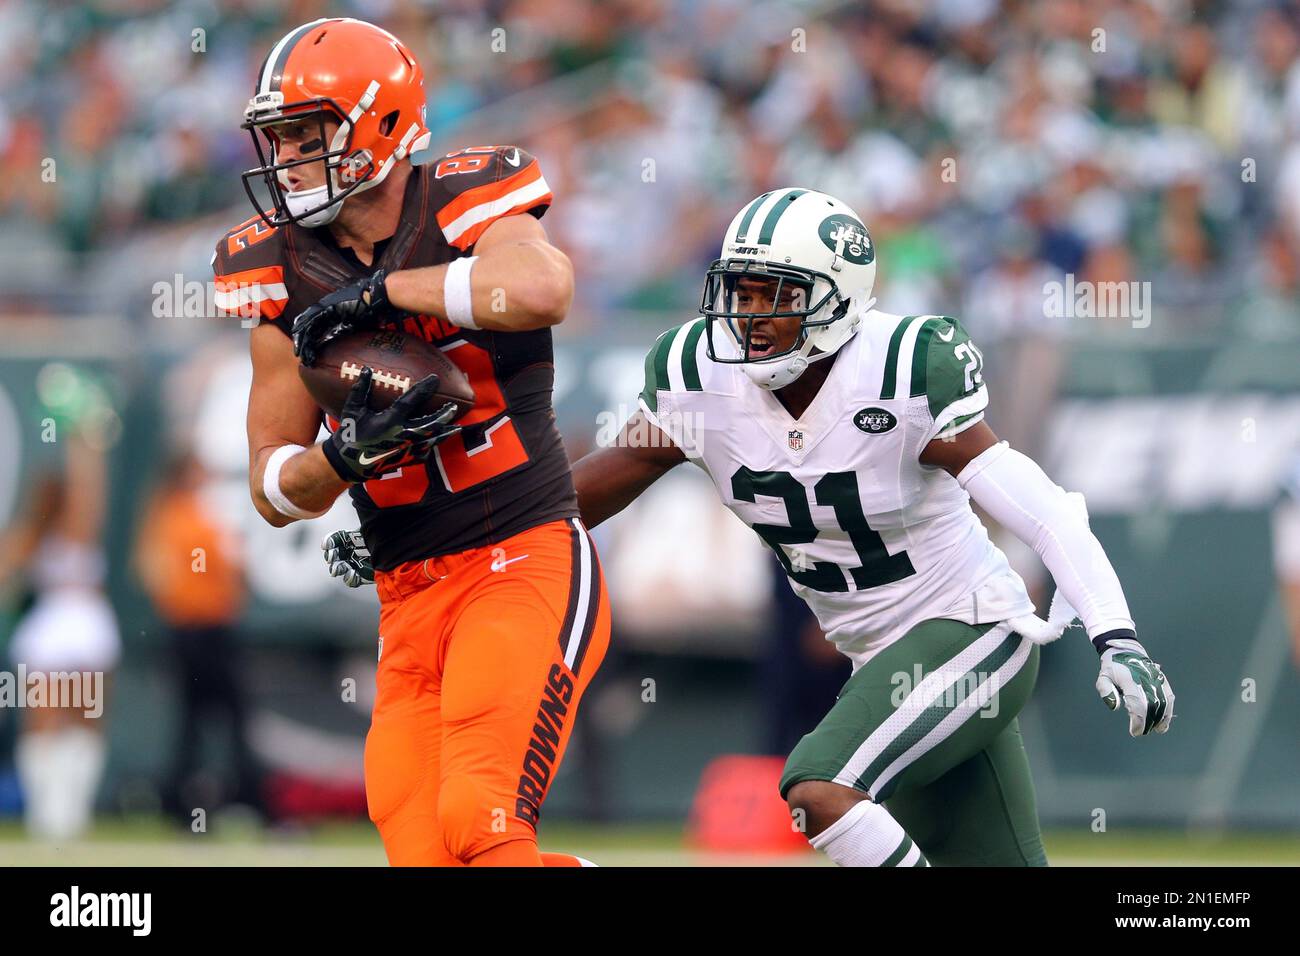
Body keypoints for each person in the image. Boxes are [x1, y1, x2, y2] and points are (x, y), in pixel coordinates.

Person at [323, 187, 1178, 866]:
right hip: (880, 658)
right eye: (737, 291)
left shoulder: (903, 365)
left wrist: (1116, 633)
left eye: (774, 296)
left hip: (973, 630)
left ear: (838, 302)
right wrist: (436, 532)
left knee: (819, 786)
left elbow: (1038, 502)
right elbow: (568, 495)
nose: (747, 315)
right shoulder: (702, 375)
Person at [212, 17, 606, 867]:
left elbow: (543, 287)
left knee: (481, 822)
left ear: (381, 125)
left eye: (306, 135)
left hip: (520, 555)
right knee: (424, 852)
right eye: (276, 140)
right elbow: (271, 481)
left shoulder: (465, 197)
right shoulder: (278, 267)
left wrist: (383, 294)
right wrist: (341, 460)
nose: (286, 161)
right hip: (406, 594)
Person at [1, 421, 119, 841]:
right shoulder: (66, 527)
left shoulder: (57, 528)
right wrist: (82, 435)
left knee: (52, 723)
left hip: (66, 627)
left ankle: (57, 817)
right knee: (75, 720)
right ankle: (59, 816)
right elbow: (90, 479)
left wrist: (78, 425)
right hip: (74, 625)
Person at [134, 452, 263, 823]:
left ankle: (187, 804)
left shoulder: (181, 514)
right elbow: (217, 568)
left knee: (197, 721)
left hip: (202, 629)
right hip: (200, 631)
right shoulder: (184, 517)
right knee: (220, 718)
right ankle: (240, 800)